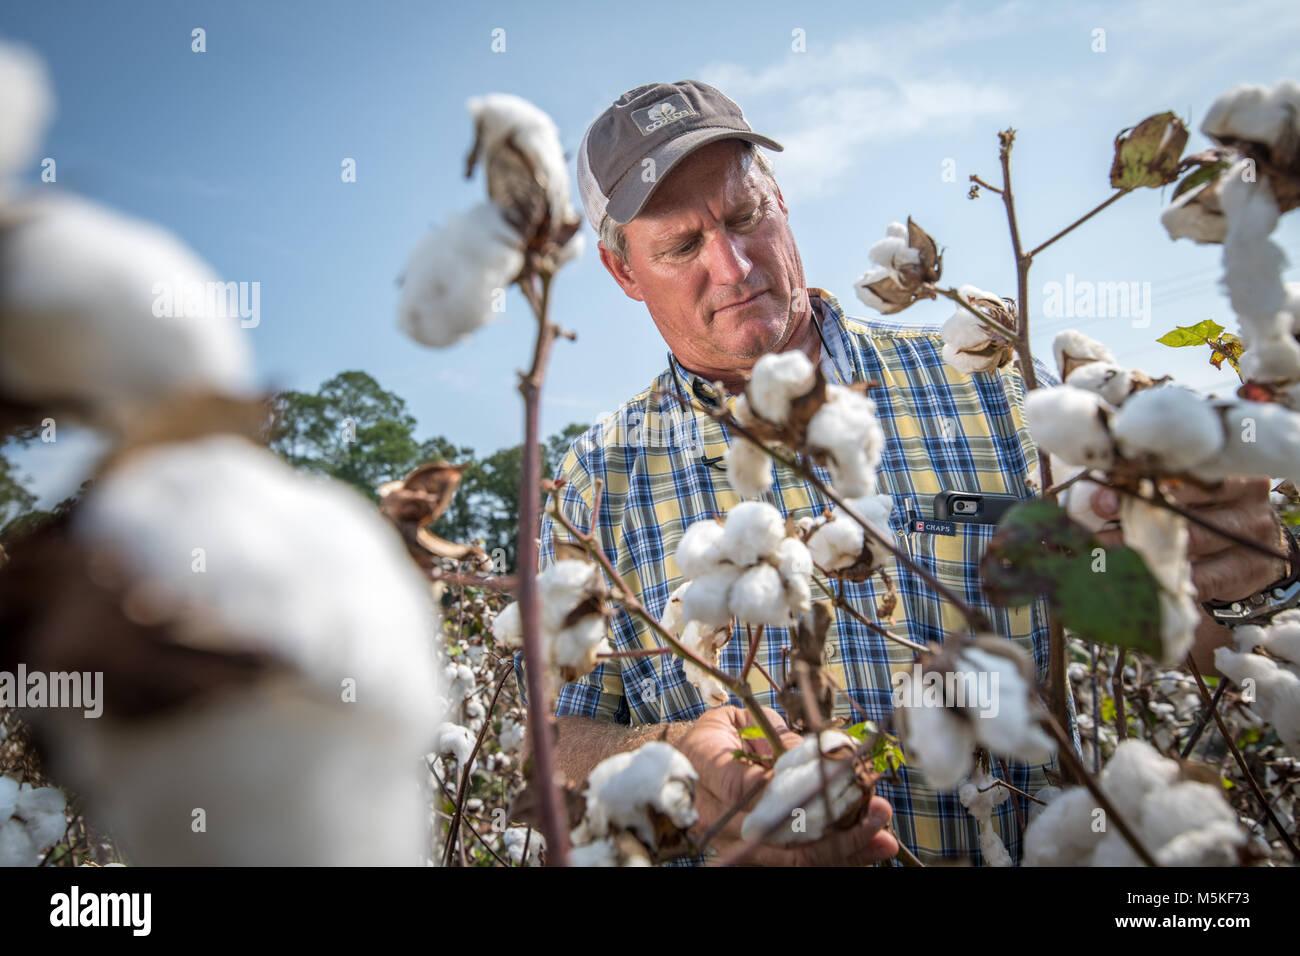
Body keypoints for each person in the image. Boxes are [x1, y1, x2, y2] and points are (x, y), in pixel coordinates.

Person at [515, 79, 1295, 866]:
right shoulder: (597, 480)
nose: (733, 263)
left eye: (745, 216)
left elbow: (1179, 631)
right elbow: (551, 744)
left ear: (780, 200)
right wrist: (678, 758)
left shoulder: (986, 378)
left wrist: (1234, 572)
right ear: (623, 273)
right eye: (683, 247)